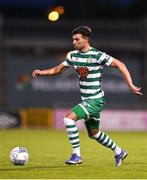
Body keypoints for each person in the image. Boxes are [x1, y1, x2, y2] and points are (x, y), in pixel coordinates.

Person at [32, 26, 143, 167]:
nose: (74, 42)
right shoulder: (73, 55)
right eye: (73, 39)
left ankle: (77, 155)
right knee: (94, 134)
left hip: (95, 100)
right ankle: (118, 151)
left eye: (77, 39)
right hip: (87, 100)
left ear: (85, 39)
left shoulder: (97, 55)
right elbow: (57, 69)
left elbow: (121, 65)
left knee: (68, 119)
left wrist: (130, 85)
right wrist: (41, 72)